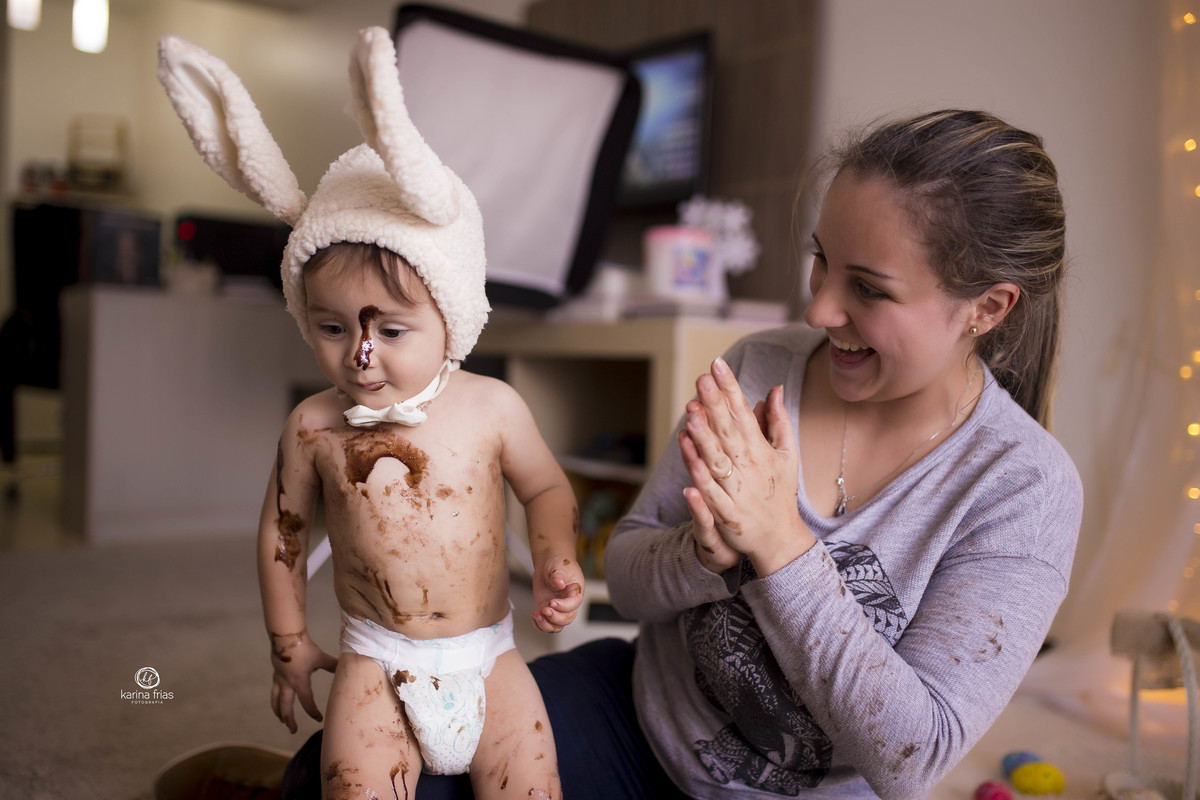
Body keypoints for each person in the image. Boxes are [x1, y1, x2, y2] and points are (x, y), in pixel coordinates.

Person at [279, 108, 1081, 799]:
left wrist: (780, 547)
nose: (819, 303)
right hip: (636, 718)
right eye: (821, 260)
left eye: (868, 288)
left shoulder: (1025, 488)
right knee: (332, 771)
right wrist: (703, 555)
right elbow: (626, 577)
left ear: (987, 308)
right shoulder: (760, 368)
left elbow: (912, 758)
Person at [156, 28, 583, 800]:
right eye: (332, 327)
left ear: (451, 317)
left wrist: (556, 556)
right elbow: (282, 533)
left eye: (390, 330)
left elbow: (546, 489)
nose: (360, 354)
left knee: (533, 784)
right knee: (350, 784)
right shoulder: (312, 427)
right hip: (375, 660)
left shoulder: (493, 406)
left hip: (489, 659)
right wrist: (288, 640)